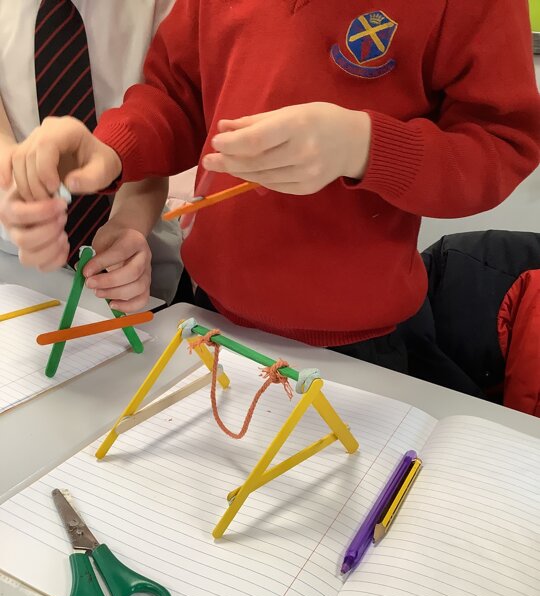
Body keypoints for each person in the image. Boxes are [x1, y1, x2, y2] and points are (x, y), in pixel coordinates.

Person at [3, 0, 540, 360]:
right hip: (206, 307)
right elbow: (177, 95)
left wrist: (366, 147)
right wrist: (112, 150)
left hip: (359, 342)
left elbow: (502, 142)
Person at [0, 0, 182, 310]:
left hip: (138, 265)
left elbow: (156, 130)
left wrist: (128, 223)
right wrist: (15, 197)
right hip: (15, 270)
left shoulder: (162, 8)